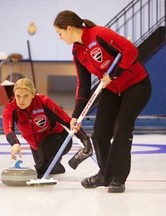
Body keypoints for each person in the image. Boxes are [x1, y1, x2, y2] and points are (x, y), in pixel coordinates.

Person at [53, 10, 152, 193]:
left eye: (59, 33)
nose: (59, 37)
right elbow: (83, 85)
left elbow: (131, 51)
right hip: (112, 90)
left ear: (68, 28)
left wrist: (113, 74)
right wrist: (75, 116)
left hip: (136, 85)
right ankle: (104, 174)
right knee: (99, 133)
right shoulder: (77, 50)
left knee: (121, 128)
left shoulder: (99, 34)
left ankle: (117, 178)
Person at [2, 78, 93, 179]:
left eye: (25, 96)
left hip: (60, 139)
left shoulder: (44, 102)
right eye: (18, 96)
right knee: (45, 162)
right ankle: (56, 166)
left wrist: (84, 138)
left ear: (33, 94)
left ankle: (43, 171)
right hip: (36, 146)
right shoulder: (11, 109)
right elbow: (8, 128)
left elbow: (67, 120)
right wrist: (15, 143)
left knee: (42, 167)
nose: (21, 100)